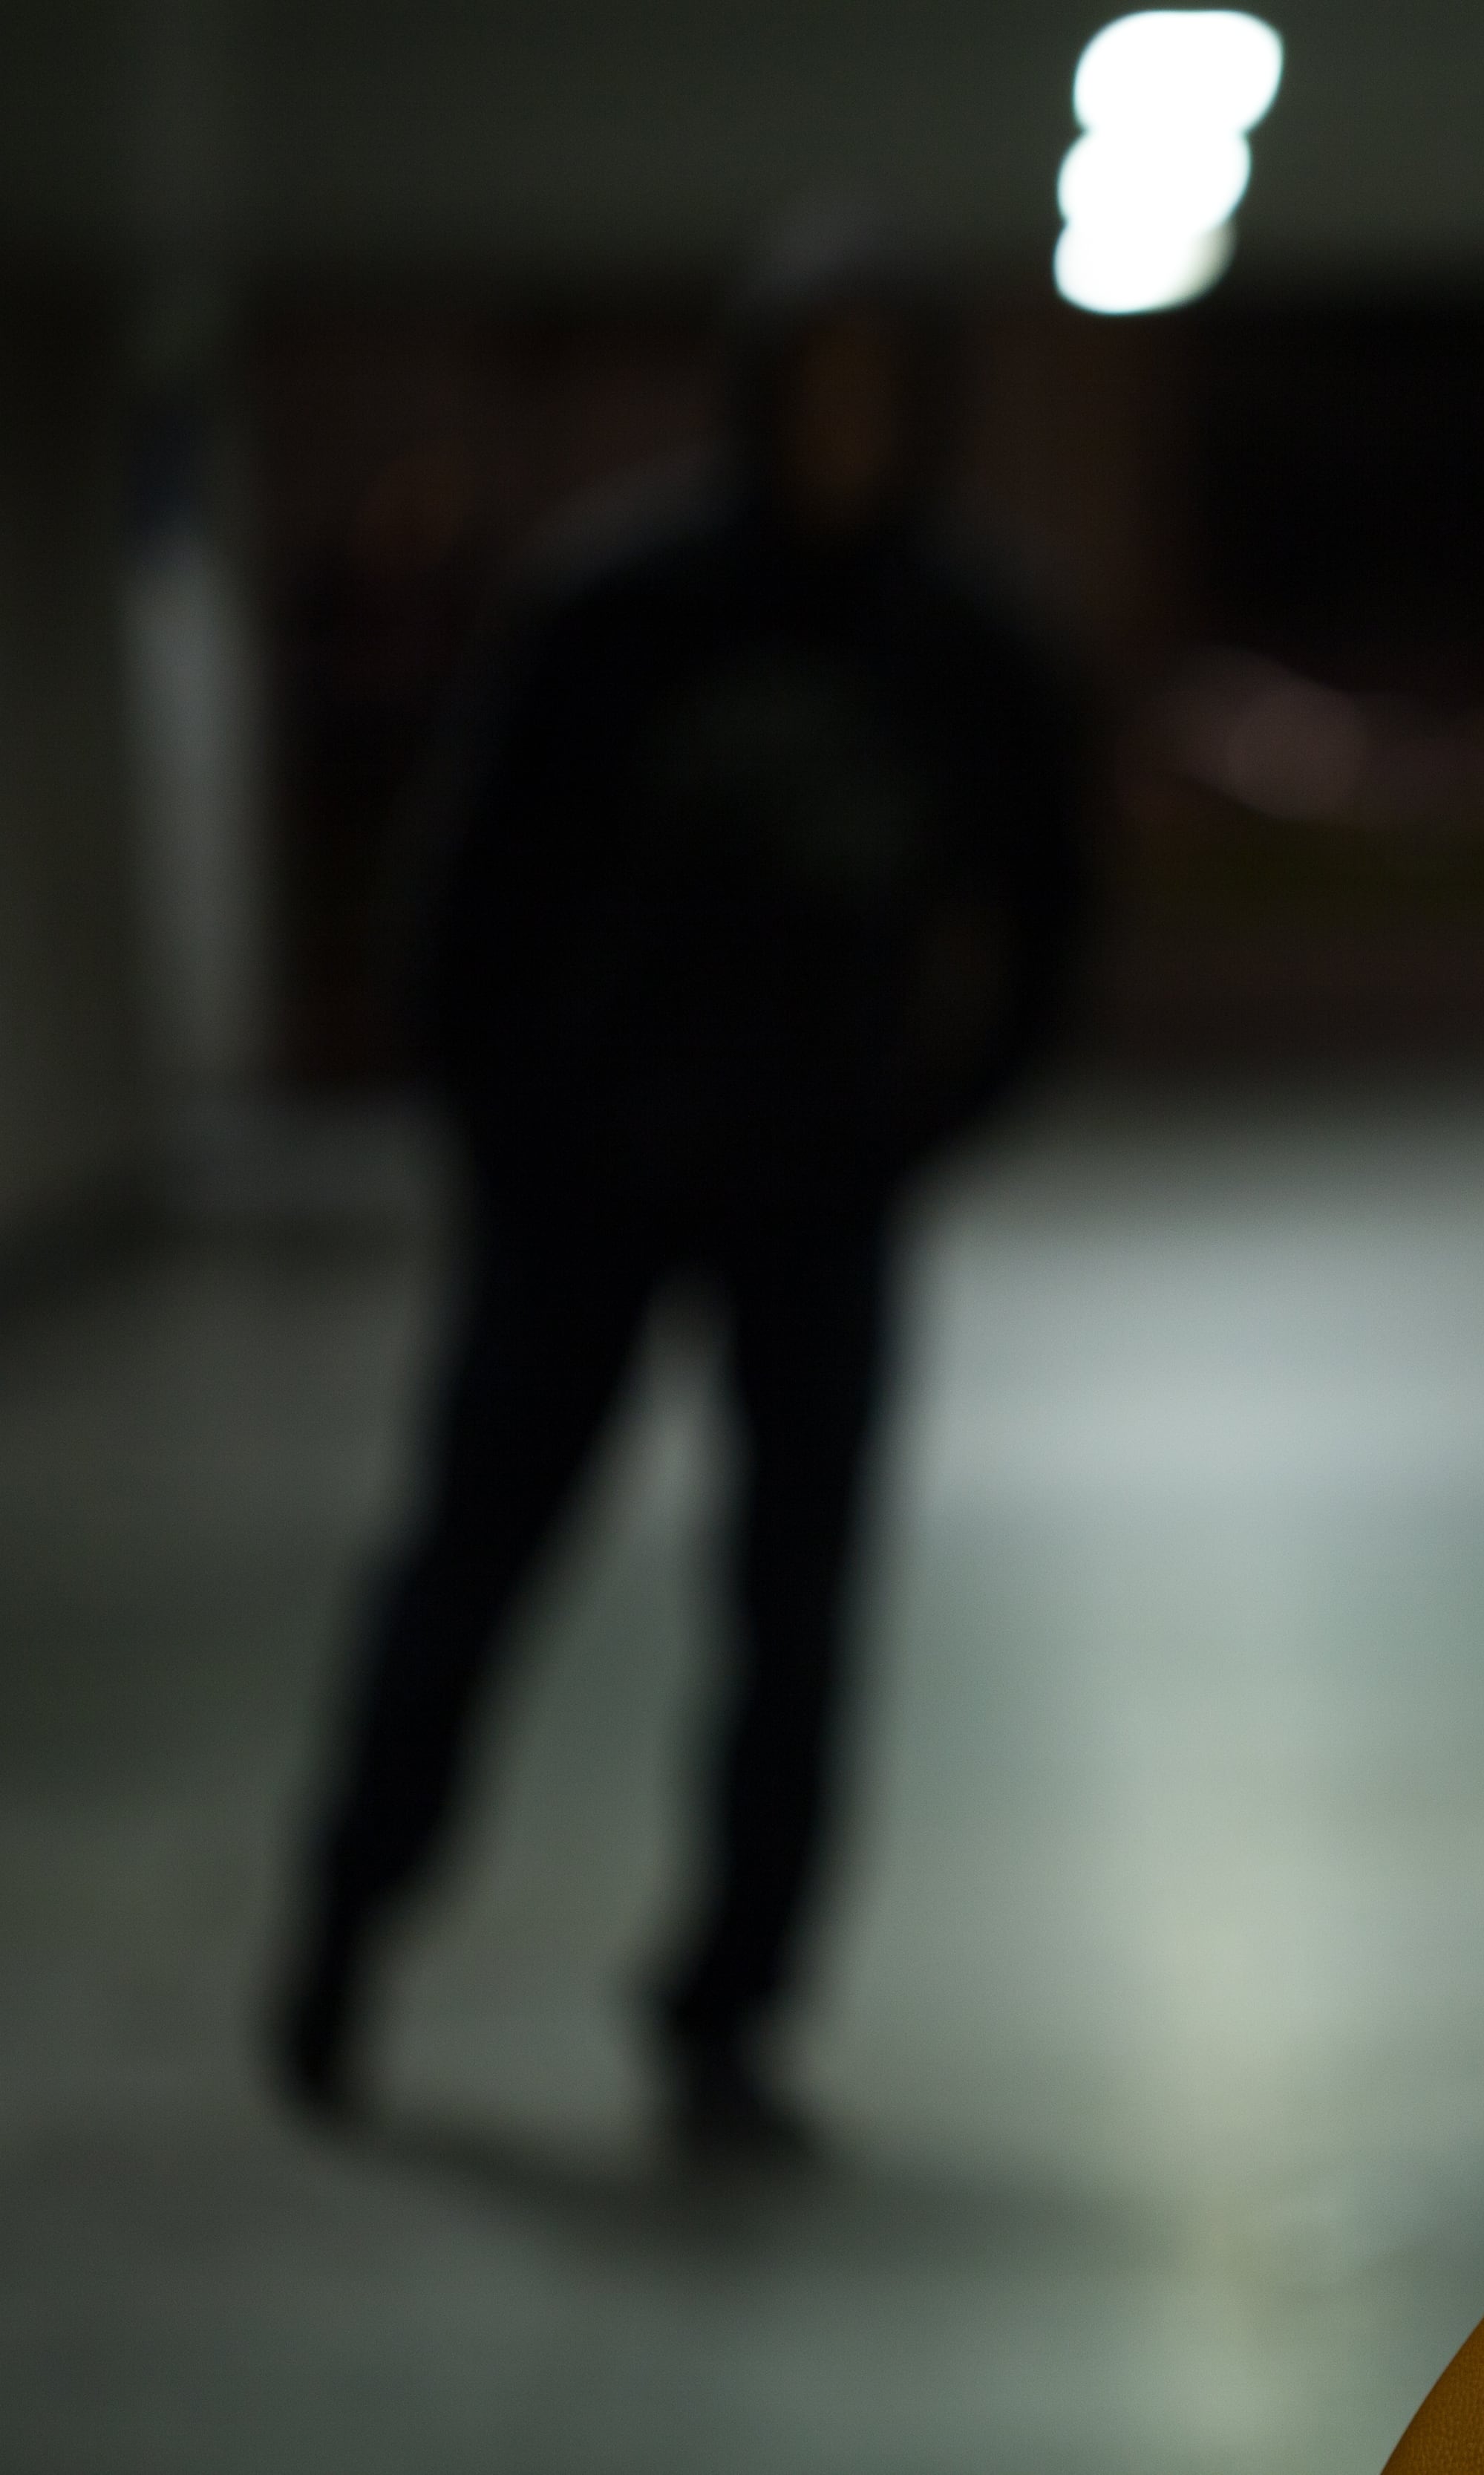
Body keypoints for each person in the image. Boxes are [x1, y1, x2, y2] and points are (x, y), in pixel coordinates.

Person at [272, 234, 1085, 2159]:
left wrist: (925, 1120)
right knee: (476, 1552)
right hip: (581, 1182)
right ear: (755, 399)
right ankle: (350, 1919)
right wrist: (516, 1134)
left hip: (821, 1186)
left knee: (796, 1612)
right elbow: (459, 898)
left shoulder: (961, 634)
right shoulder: (615, 605)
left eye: (879, 399)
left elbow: (1047, 915)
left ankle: (730, 2007)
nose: (842, 436)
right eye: (813, 392)